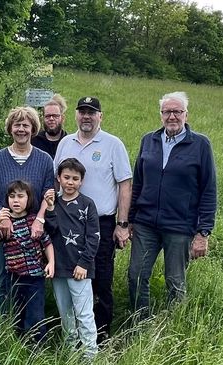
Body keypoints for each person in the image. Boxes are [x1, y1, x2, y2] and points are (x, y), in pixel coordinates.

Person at [127, 91, 217, 321]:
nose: (172, 116)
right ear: (161, 115)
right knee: (136, 275)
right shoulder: (149, 140)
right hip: (146, 223)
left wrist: (203, 233)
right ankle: (140, 323)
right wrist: (129, 219)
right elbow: (138, 182)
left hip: (179, 226)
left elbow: (208, 189)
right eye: (167, 111)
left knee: (175, 281)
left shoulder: (200, 144)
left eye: (177, 111)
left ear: (186, 114)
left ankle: (173, 326)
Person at [53, 96, 132, 344]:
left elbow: (125, 184)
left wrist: (122, 224)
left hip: (101, 223)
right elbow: (56, 180)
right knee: (69, 277)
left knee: (101, 279)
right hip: (67, 223)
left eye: (92, 112)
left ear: (100, 116)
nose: (86, 116)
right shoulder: (66, 142)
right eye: (82, 112)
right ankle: (73, 335)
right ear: (76, 115)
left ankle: (100, 336)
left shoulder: (113, 144)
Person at [0, 106, 56, 321]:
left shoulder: (44, 159)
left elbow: (48, 194)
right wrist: (3, 218)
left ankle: (27, 327)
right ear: (10, 128)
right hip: (3, 231)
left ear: (33, 129)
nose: (21, 129)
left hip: (32, 232)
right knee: (0, 280)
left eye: (26, 125)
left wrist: (40, 219)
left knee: (30, 281)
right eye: (17, 125)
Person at [43, 158, 100, 359]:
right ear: (58, 178)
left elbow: (94, 237)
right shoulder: (53, 204)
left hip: (80, 269)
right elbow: (50, 232)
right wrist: (50, 209)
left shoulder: (87, 204)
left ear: (81, 181)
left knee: (84, 313)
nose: (70, 182)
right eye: (66, 177)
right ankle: (70, 350)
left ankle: (90, 354)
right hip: (59, 266)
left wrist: (84, 263)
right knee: (65, 312)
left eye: (75, 179)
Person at [0, 180, 54, 343]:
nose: (16, 200)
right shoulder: (5, 224)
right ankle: (20, 342)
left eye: (20, 196)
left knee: (35, 313)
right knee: (17, 311)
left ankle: (38, 345)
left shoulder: (34, 221)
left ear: (28, 199)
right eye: (12, 196)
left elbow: (47, 243)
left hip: (35, 277)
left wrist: (51, 262)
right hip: (14, 277)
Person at [31, 94, 68, 158]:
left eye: (55, 116)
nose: (51, 119)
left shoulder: (68, 142)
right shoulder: (33, 142)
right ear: (42, 118)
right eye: (47, 116)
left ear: (62, 118)